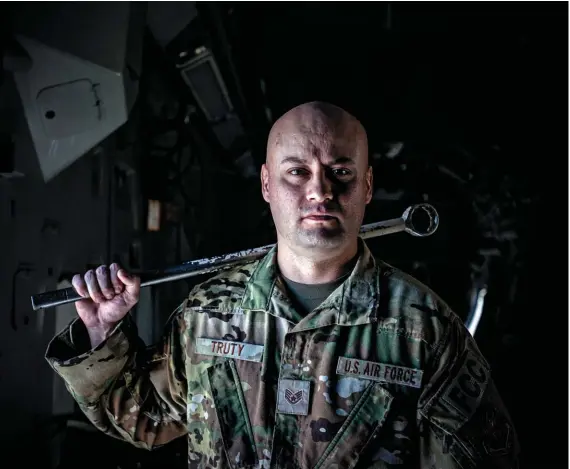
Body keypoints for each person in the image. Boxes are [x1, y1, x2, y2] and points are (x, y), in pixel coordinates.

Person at [46, 101, 520, 468]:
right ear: (268, 185)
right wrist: (101, 334)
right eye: (298, 172)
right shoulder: (209, 311)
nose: (321, 191)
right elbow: (143, 421)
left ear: (369, 186)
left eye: (341, 172)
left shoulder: (426, 332)